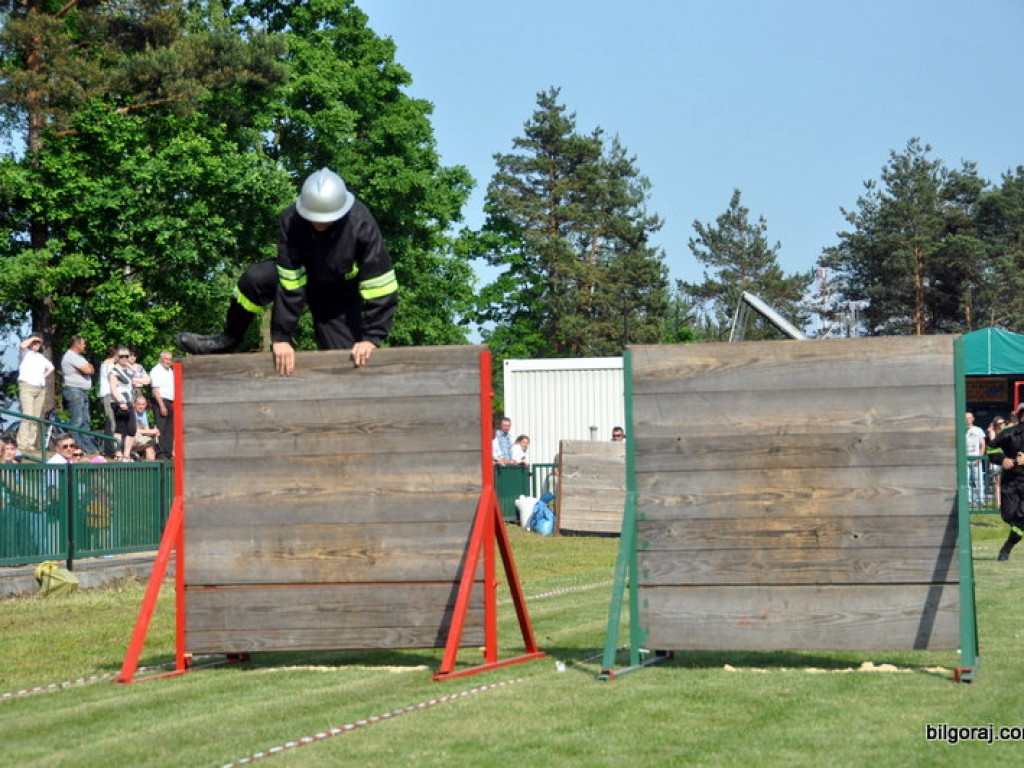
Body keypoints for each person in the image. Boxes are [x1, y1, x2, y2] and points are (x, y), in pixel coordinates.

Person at [176, 168, 398, 376]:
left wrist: (372, 338)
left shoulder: (362, 224)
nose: (319, 225)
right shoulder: (290, 220)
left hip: (338, 295)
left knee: (347, 364)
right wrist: (281, 337)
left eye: (326, 221)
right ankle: (227, 341)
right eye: (314, 219)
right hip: (300, 279)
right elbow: (291, 281)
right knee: (255, 278)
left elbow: (380, 284)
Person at [987, 403, 1024, 561]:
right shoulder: (1009, 433)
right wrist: (1003, 459)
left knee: (1022, 518)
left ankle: (1006, 549)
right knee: (1008, 515)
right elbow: (990, 449)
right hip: (1011, 480)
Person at [16, 333, 55, 456]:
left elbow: (51, 367)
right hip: (27, 386)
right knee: (27, 415)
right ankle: (22, 443)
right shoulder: (25, 354)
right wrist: (32, 338)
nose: (37, 344)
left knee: (36, 417)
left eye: (39, 343)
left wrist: (43, 376)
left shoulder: (41, 357)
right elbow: (22, 346)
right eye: (35, 342)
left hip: (39, 388)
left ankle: (31, 444)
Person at [61, 334, 98, 453]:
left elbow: (91, 369)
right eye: (83, 343)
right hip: (74, 390)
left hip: (82, 391)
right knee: (77, 420)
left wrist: (85, 370)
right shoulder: (70, 356)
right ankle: (74, 447)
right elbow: (88, 370)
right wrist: (86, 369)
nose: (85, 345)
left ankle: (88, 448)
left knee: (85, 421)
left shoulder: (79, 357)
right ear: (77, 344)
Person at [108, 348, 138, 461]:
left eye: (127, 356)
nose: (125, 358)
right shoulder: (114, 371)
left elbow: (143, 379)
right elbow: (113, 388)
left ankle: (127, 454)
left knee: (132, 429)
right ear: (117, 358)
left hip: (129, 401)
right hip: (119, 402)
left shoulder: (129, 370)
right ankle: (118, 453)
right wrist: (120, 401)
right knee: (120, 428)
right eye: (122, 356)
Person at [149, 351, 175, 460]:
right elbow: (155, 389)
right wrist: (162, 405)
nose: (168, 361)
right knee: (161, 427)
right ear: (160, 359)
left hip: (171, 401)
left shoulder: (170, 371)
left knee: (169, 428)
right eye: (166, 359)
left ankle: (168, 452)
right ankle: (160, 452)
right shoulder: (156, 370)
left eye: (169, 359)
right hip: (161, 400)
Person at [97, 345, 118, 456]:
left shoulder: (105, 364)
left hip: (107, 395)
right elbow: (112, 381)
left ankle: (109, 448)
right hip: (108, 395)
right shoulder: (110, 365)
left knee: (110, 422)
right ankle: (110, 449)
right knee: (111, 423)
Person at [965, 412, 987, 506]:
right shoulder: (961, 430)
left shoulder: (978, 430)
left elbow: (983, 444)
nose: (967, 419)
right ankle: (968, 500)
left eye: (969, 417)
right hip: (964, 458)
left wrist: (980, 457)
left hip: (975, 457)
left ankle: (980, 499)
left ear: (973, 419)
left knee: (979, 480)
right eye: (965, 418)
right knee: (966, 481)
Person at [131, 395, 160, 461]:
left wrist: (154, 432)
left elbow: (146, 430)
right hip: (131, 439)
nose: (141, 407)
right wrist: (151, 431)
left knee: (150, 449)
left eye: (143, 405)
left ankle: (150, 467)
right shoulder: (131, 413)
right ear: (134, 404)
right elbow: (133, 430)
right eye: (139, 404)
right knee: (149, 443)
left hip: (141, 438)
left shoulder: (144, 414)